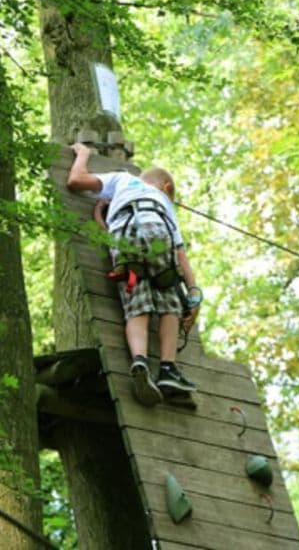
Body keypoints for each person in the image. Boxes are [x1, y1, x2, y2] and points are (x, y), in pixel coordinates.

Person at [67, 142, 200, 406]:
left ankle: (139, 360)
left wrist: (83, 154)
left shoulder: (121, 180)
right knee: (169, 302)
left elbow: (75, 181)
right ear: (167, 188)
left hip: (124, 235)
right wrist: (194, 293)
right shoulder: (164, 204)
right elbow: (179, 253)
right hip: (159, 231)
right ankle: (167, 369)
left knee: (135, 302)